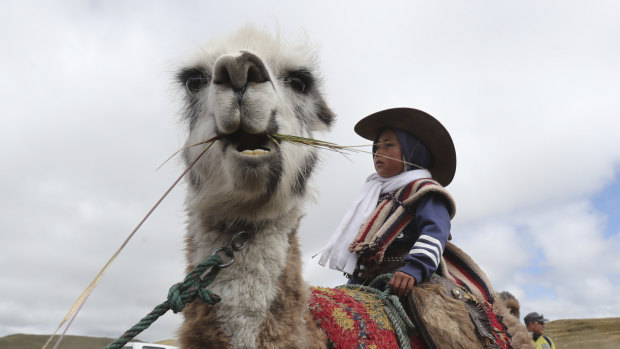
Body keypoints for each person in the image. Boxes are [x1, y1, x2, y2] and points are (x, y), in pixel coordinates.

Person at [318, 107, 456, 297]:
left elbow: (435, 232)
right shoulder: (374, 195)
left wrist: (413, 269)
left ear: (412, 152)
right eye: (375, 148)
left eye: (388, 145)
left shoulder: (426, 191)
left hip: (408, 280)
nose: (378, 152)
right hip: (367, 282)